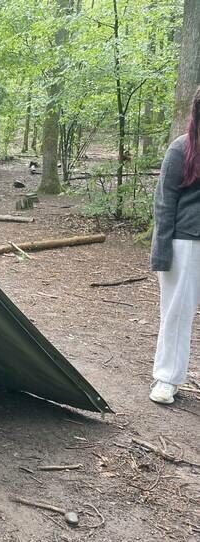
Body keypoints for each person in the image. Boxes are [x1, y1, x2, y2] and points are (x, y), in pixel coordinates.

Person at [149, 85, 200, 405]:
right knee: (177, 314)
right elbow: (164, 203)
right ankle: (167, 378)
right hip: (186, 244)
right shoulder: (181, 148)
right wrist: (162, 252)